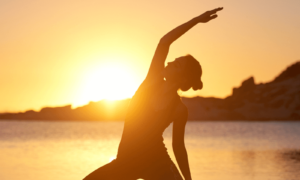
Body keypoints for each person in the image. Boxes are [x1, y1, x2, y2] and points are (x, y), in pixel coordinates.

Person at [83, 7, 223, 180]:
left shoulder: (179, 110)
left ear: (183, 80)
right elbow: (164, 42)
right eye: (174, 60)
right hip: (126, 162)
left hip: (157, 163)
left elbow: (178, 147)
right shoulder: (151, 81)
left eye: (177, 65)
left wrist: (188, 179)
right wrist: (196, 20)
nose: (170, 62)